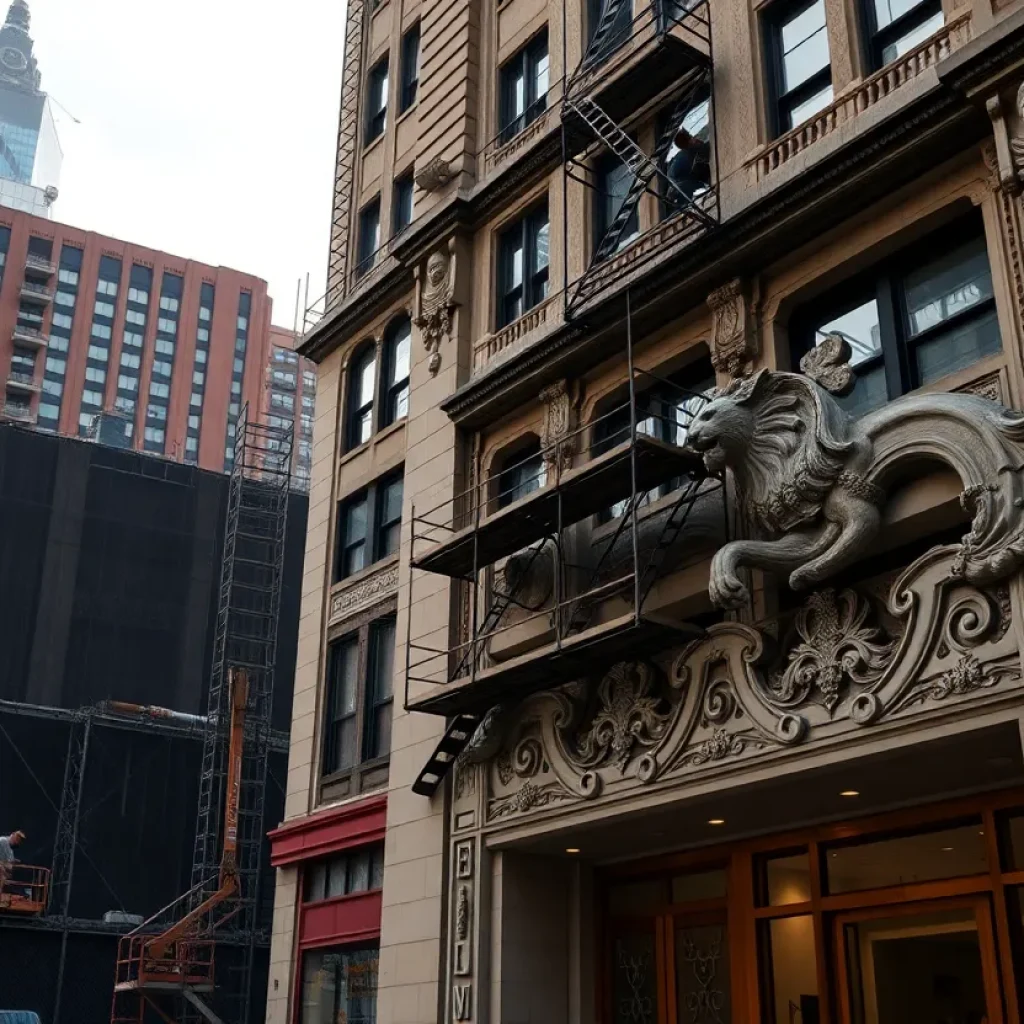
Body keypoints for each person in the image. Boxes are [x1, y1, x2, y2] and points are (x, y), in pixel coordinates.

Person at [666, 127, 711, 206]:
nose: (695, 138)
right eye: (691, 137)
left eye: (691, 136)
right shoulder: (687, 158)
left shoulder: (682, 157)